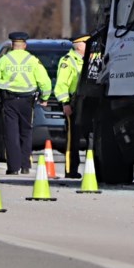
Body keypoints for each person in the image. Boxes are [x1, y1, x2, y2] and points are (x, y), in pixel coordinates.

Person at [0, 32, 52, 175]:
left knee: (11, 134)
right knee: (26, 132)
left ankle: (13, 168)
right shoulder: (33, 60)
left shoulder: (5, 59)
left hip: (10, 100)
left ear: (13, 45)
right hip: (27, 101)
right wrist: (45, 97)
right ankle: (25, 165)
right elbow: (45, 82)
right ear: (24, 45)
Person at [55, 34, 87, 179]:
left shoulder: (87, 61)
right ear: (79, 45)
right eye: (86, 44)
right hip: (74, 104)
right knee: (72, 139)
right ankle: (70, 169)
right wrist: (65, 103)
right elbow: (61, 85)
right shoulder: (68, 61)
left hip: (87, 103)